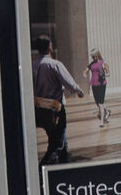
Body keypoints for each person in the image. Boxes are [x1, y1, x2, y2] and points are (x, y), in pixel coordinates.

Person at [33, 35, 83, 164]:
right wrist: (78, 91)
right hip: (55, 109)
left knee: (57, 138)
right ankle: (42, 169)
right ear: (50, 47)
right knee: (57, 144)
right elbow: (69, 82)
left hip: (40, 109)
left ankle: (65, 164)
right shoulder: (54, 64)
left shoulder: (33, 66)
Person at [84, 48, 111, 126]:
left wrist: (104, 75)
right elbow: (85, 71)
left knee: (100, 103)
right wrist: (85, 74)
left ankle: (102, 121)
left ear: (97, 55)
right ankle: (107, 112)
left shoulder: (103, 63)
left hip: (102, 84)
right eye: (92, 56)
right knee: (97, 102)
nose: (93, 58)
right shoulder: (91, 64)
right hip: (94, 84)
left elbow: (108, 73)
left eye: (94, 56)